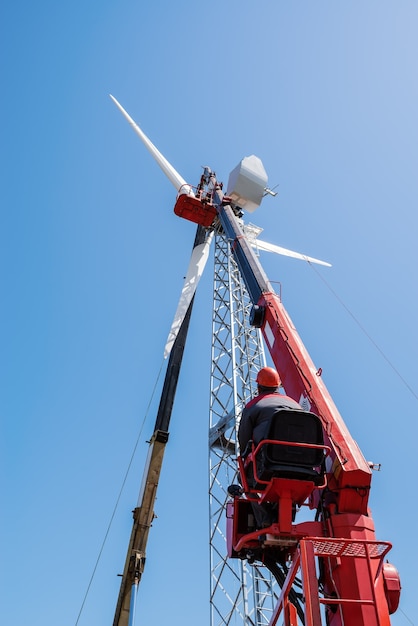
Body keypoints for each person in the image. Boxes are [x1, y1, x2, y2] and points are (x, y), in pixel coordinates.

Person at [238, 366, 303, 529]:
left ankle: (265, 519)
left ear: (258, 386)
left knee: (244, 479)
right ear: (278, 386)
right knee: (288, 480)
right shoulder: (295, 404)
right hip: (303, 467)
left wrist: (246, 456)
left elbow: (244, 441)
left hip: (268, 465)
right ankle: (286, 514)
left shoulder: (254, 406)